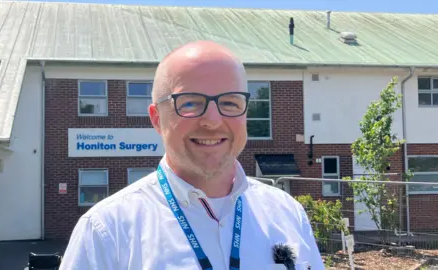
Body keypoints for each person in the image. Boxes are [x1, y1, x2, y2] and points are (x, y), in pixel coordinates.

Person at [59, 40, 325, 270]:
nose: (212, 120)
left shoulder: (288, 213)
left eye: (230, 102)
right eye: (189, 103)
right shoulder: (106, 231)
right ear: (156, 119)